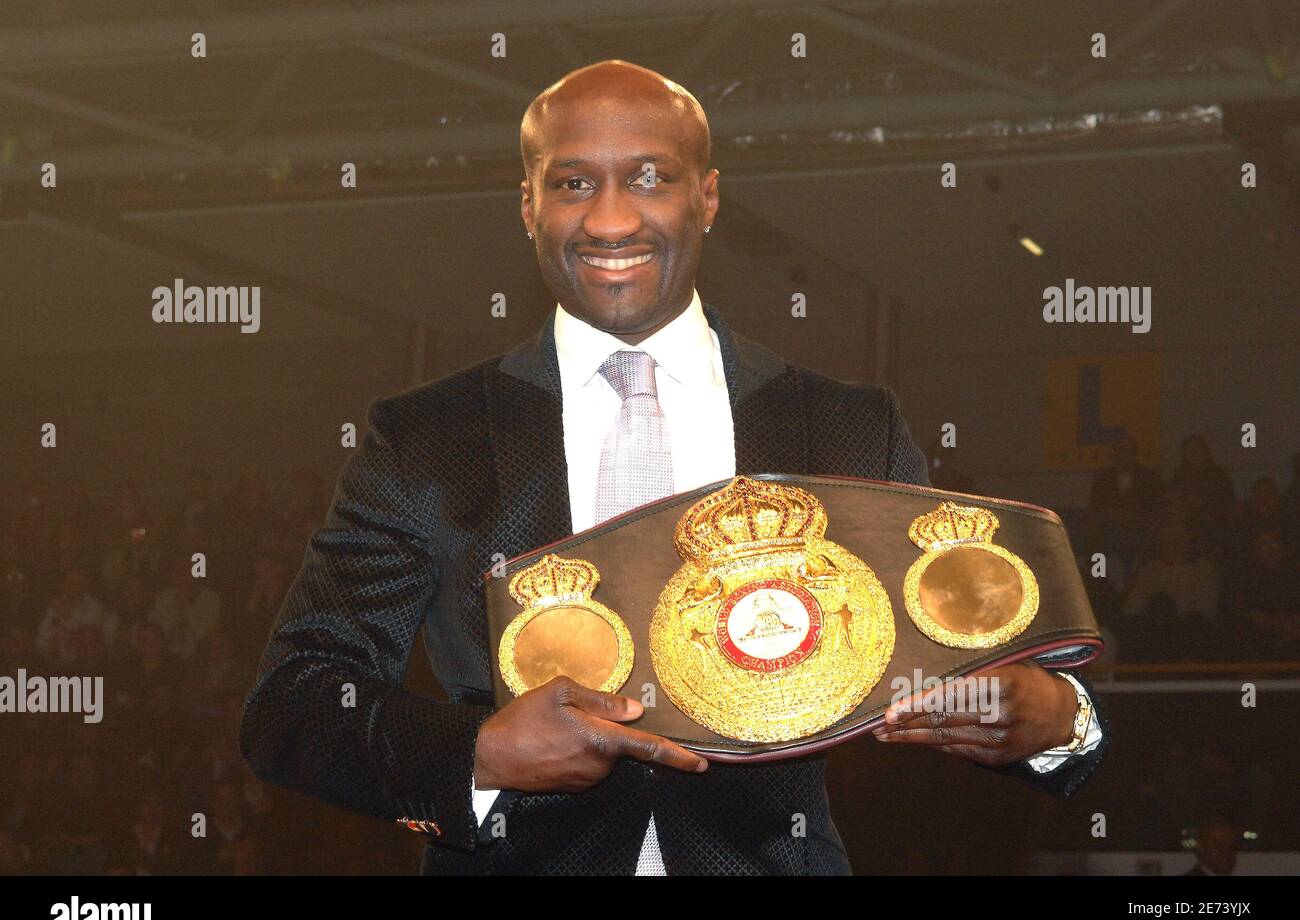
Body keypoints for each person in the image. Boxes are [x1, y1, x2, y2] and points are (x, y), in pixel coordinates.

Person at [239, 60, 1108, 875]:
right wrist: (482, 753)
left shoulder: (845, 425)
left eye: (650, 176)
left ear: (709, 197)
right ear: (529, 205)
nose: (611, 220)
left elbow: (981, 670)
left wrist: (1054, 721)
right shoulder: (428, 435)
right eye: (574, 182)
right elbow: (296, 704)